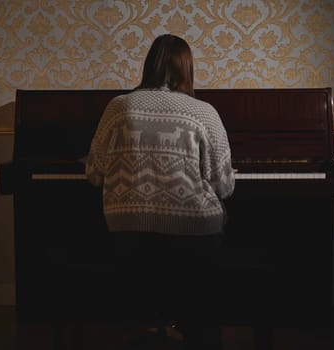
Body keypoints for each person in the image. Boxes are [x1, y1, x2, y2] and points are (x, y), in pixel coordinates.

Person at [85, 34, 235, 350]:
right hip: (193, 237)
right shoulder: (204, 111)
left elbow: (95, 172)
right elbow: (224, 185)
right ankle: (201, 329)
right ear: (186, 69)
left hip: (129, 236)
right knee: (219, 229)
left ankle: (146, 320)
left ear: (148, 66)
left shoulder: (117, 106)